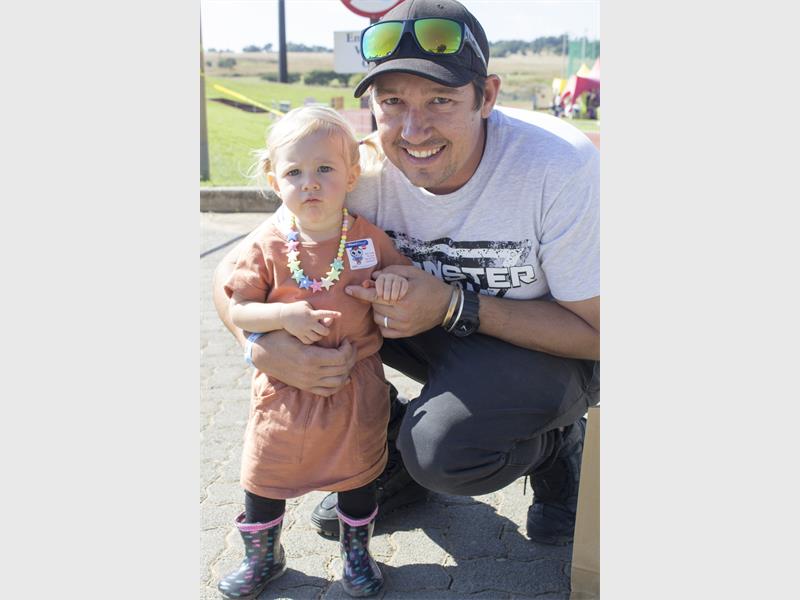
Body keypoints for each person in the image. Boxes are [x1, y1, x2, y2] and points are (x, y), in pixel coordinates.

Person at [212, 0, 600, 560]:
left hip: (548, 347)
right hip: (425, 327)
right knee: (325, 318)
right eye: (392, 102)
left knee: (444, 454)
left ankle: (555, 445)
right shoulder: (355, 169)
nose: (414, 131)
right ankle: (385, 445)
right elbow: (236, 273)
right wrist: (259, 345)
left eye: (441, 99)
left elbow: (601, 334)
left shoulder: (557, 166)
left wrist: (453, 305)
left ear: (487, 96)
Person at [218, 106, 411, 599]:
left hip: (354, 386)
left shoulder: (366, 238)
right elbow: (239, 308)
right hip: (283, 391)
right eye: (294, 172)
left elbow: (404, 276)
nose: (310, 183)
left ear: (352, 175)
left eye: (325, 168)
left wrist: (393, 281)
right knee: (265, 471)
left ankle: (356, 554)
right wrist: (283, 316)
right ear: (274, 180)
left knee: (358, 472)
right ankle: (263, 556)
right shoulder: (267, 245)